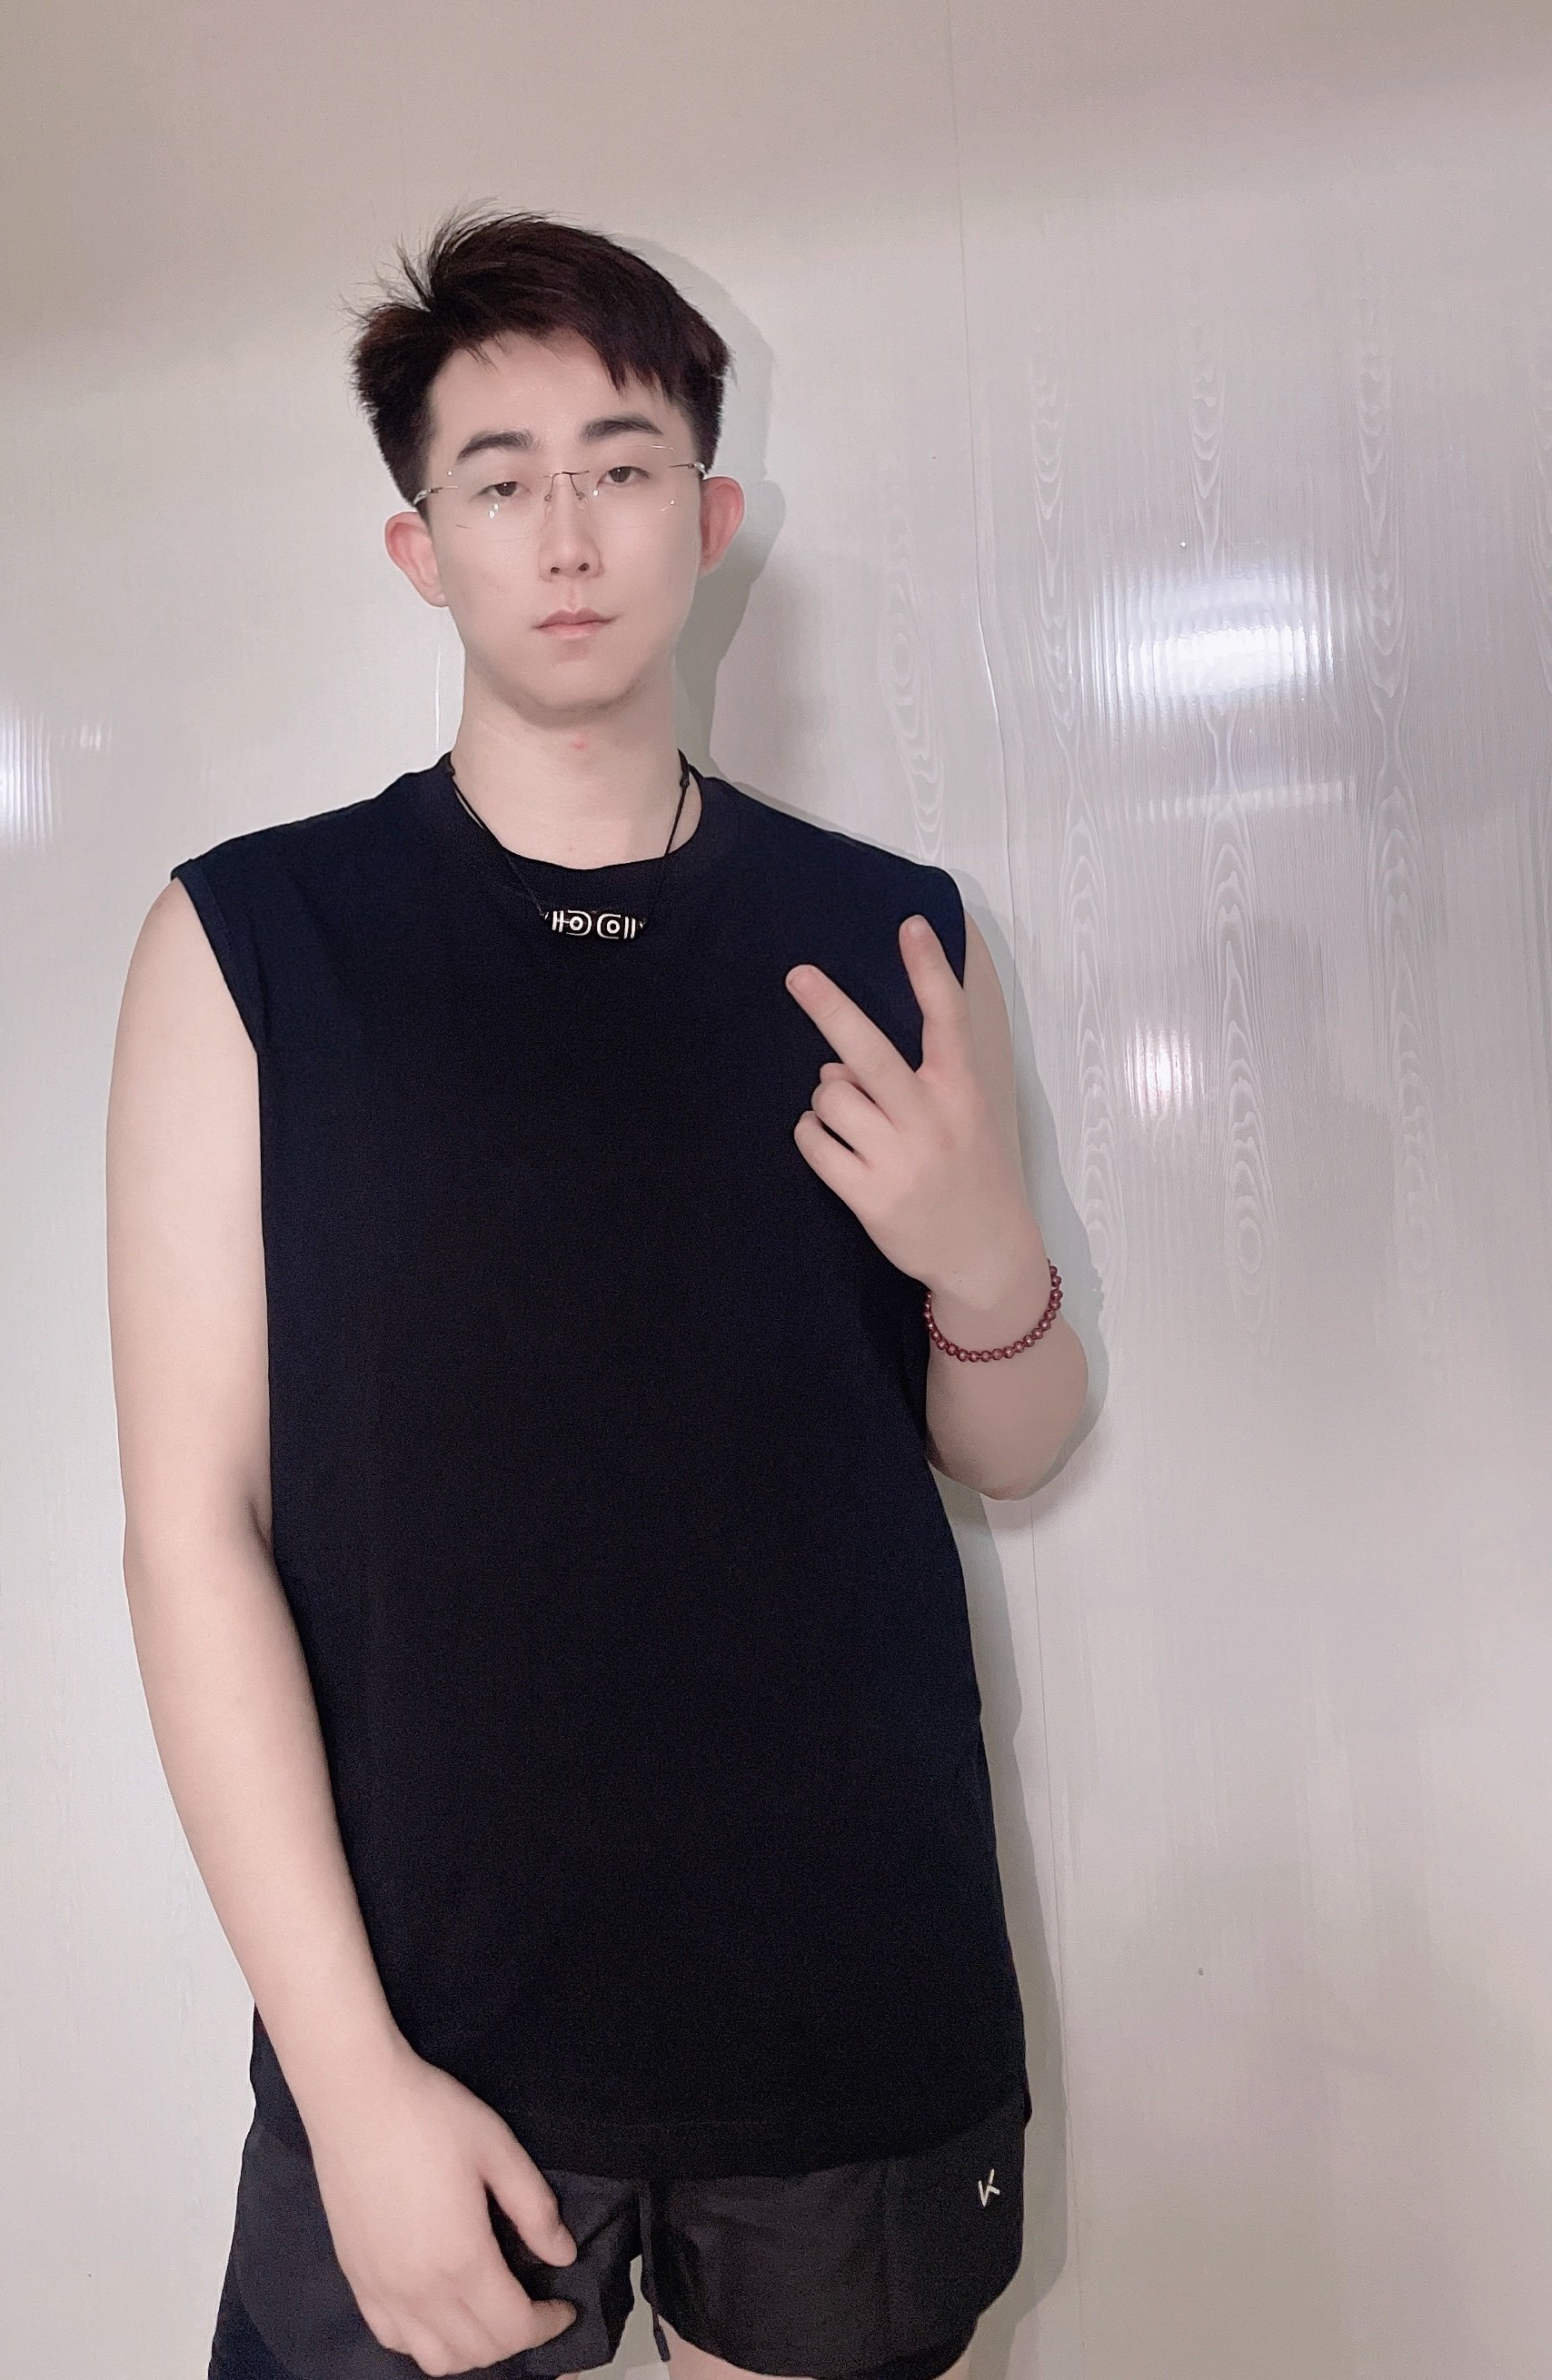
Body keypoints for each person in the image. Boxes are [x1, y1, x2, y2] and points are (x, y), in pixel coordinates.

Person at [105, 206, 1089, 2380]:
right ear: (420, 550)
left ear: (711, 520)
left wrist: (986, 1258)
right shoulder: (254, 946)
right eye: (501, 479)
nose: (566, 534)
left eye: (623, 466)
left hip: (846, 1994)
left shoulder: (891, 936)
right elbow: (192, 1538)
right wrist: (347, 2079)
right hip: (429, 2013)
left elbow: (1011, 1444)